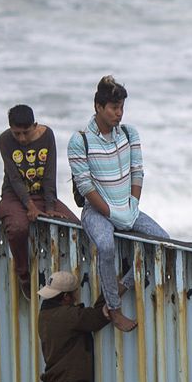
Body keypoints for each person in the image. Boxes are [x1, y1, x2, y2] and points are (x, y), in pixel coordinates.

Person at [66, 75, 168, 332]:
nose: (119, 113)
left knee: (164, 243)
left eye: (121, 107)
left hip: (127, 208)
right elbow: (85, 186)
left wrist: (132, 205)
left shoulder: (129, 133)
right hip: (96, 211)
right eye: (114, 108)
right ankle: (113, 307)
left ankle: (121, 285)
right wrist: (111, 213)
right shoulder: (80, 141)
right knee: (106, 245)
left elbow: (137, 171)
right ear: (98, 107)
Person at [0, 103, 79, 285]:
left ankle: (66, 281)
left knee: (76, 227)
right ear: (10, 129)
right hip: (14, 196)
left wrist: (50, 208)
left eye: (26, 132)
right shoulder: (5, 140)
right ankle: (24, 275)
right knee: (18, 228)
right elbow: (14, 178)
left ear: (35, 125)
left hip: (42, 195)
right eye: (17, 133)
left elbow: (50, 173)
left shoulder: (47, 135)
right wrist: (30, 207)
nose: (22, 138)